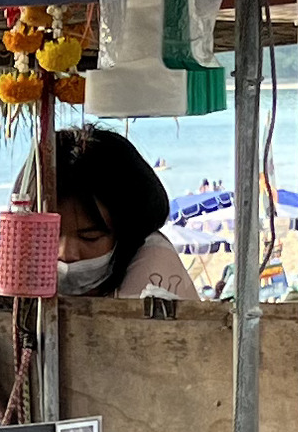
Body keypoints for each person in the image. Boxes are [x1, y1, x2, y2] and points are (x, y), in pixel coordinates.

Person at [28, 125, 199, 304]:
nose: (66, 254)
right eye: (48, 236)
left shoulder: (153, 265)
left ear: (126, 231)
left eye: (89, 237)